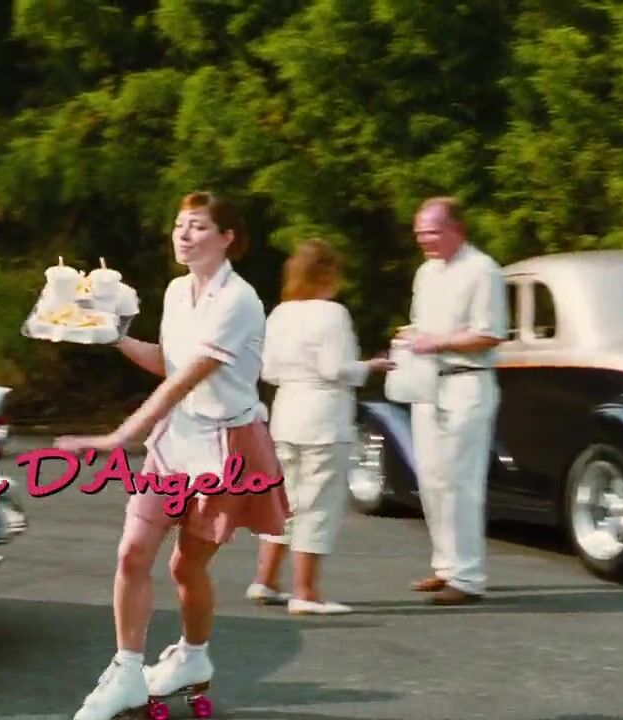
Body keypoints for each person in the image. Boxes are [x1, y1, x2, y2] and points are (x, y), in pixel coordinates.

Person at [55, 192, 290, 720]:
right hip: (175, 440)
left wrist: (118, 437)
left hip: (227, 445)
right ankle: (126, 672)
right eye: (180, 224)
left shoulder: (240, 300)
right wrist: (114, 336)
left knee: (187, 566)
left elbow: (188, 379)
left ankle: (193, 656)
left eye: (199, 226)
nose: (184, 234)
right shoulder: (177, 291)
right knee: (132, 553)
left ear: (227, 238)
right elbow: (170, 363)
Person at [248, 239, 393, 615]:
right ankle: (306, 592)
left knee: (285, 500)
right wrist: (369, 367)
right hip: (323, 417)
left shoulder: (280, 314)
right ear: (328, 273)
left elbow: (269, 370)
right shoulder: (332, 314)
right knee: (318, 503)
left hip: (286, 413)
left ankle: (266, 579)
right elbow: (335, 368)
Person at [399, 196, 507, 606]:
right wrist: (410, 338)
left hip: (466, 383)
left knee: (460, 481)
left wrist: (437, 342)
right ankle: (446, 565)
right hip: (429, 382)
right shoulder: (426, 272)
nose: (424, 240)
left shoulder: (482, 270)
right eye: (419, 233)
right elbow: (422, 325)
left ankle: (468, 576)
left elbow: (490, 334)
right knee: (431, 478)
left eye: (432, 232)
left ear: (457, 229)